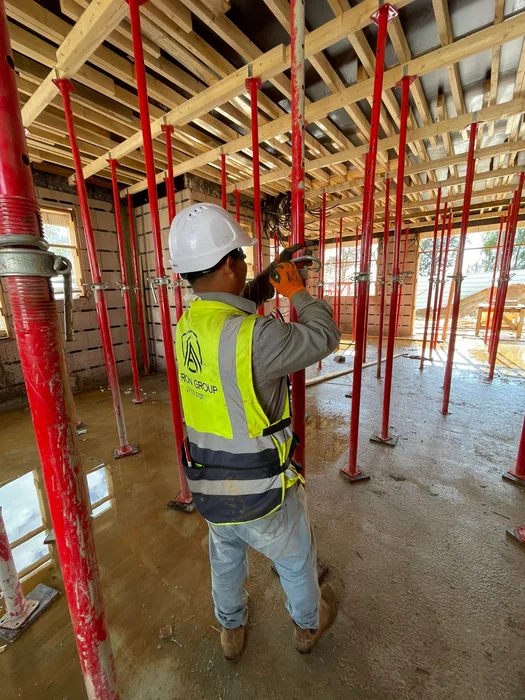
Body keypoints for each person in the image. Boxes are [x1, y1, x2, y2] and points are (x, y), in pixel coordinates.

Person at [169, 203, 341, 661]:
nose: (245, 264)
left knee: (225, 560)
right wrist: (297, 291)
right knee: (296, 560)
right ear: (229, 265)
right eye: (241, 258)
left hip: (208, 483)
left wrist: (267, 277)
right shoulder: (257, 337)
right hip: (261, 490)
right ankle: (308, 625)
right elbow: (324, 336)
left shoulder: (188, 325)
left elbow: (232, 300)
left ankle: (230, 630)